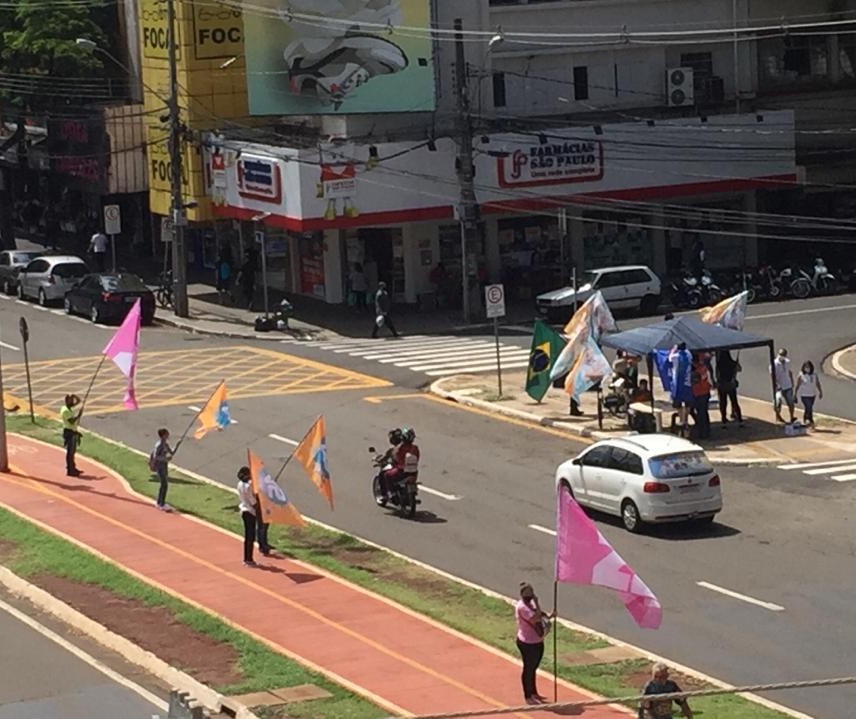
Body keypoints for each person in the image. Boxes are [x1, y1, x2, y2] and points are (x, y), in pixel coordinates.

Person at [515, 582, 552, 705]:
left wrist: (550, 616)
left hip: (537, 640)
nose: (530, 595)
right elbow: (535, 618)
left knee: (534, 667)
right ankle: (528, 696)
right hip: (527, 643)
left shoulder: (530, 604)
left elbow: (540, 615)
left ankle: (533, 692)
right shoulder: (522, 607)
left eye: (531, 592)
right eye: (527, 593)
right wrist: (537, 602)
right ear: (522, 594)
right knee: (528, 668)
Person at [668, 343, 693, 437]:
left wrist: (673, 349)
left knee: (678, 404)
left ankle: (681, 420)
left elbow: (669, 359)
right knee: (687, 404)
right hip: (687, 384)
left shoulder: (676, 356)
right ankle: (685, 420)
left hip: (678, 385)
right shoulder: (689, 355)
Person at [715, 351, 743, 428]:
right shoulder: (732, 363)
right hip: (731, 385)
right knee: (734, 402)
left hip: (722, 386)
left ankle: (724, 420)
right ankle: (740, 419)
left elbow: (717, 375)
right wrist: (736, 364)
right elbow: (739, 369)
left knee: (723, 403)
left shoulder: (719, 364)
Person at [237, 466, 258, 566]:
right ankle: (248, 559)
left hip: (244, 509)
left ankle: (247, 558)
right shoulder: (248, 486)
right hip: (250, 511)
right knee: (250, 536)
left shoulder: (240, 484)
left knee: (248, 536)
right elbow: (252, 501)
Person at [690, 353, 712, 440]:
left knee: (701, 413)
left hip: (699, 394)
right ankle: (705, 431)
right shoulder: (704, 367)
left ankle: (703, 432)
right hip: (704, 393)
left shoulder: (695, 370)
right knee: (703, 413)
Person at [795, 360, 823, 427]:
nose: (807, 368)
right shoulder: (801, 375)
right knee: (809, 407)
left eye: (808, 367)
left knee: (808, 408)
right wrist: (795, 394)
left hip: (812, 395)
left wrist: (820, 391)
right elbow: (798, 385)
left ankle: (806, 419)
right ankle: (810, 420)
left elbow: (817, 383)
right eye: (806, 367)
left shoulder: (814, 375)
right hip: (804, 395)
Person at [151, 428, 174, 511]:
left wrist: (177, 445)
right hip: (160, 467)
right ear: (163, 435)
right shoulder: (159, 445)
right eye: (167, 433)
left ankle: (160, 502)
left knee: (164, 485)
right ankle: (161, 504)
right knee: (164, 485)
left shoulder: (165, 444)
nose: (168, 434)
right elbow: (156, 456)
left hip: (164, 466)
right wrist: (165, 459)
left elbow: (171, 452)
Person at [60, 394, 83, 476]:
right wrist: (78, 416)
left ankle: (73, 467)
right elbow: (71, 421)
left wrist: (75, 396)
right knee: (70, 452)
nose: (72, 401)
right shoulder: (65, 410)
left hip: (73, 431)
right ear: (66, 401)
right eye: (70, 400)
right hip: (69, 432)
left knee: (72, 452)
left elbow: (79, 401)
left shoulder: (69, 408)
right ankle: (70, 469)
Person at [773, 348, 796, 423]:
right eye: (781, 355)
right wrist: (775, 385)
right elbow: (772, 375)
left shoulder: (787, 362)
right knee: (778, 402)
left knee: (791, 402)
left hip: (788, 385)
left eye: (783, 355)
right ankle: (778, 416)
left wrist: (792, 382)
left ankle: (792, 417)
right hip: (779, 387)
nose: (782, 357)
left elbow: (789, 372)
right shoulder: (774, 364)